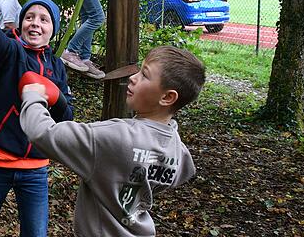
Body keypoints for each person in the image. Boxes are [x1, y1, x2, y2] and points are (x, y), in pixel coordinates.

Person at [19, 46, 204, 236]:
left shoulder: (114, 138)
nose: (133, 77)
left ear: (167, 97)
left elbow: (42, 133)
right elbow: (186, 171)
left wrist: (34, 96)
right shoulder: (177, 148)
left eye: (145, 75)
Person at [0, 0, 74, 237]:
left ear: (53, 29)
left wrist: (57, 98)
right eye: (30, 17)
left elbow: (67, 118)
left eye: (44, 20)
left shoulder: (57, 66)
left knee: (36, 233)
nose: (35, 24)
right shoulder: (12, 52)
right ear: (21, 23)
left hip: (36, 168)